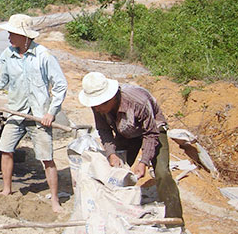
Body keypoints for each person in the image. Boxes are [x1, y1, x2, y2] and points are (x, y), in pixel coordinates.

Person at [0, 14, 67, 212]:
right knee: (5, 149)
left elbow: (61, 85)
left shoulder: (43, 56)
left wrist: (51, 113)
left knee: (46, 157)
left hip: (39, 116)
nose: (9, 37)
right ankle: (7, 189)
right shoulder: (7, 55)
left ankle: (54, 199)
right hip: (16, 111)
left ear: (25, 37)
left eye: (13, 33)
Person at [78, 72, 183, 222]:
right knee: (116, 171)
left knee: (162, 173)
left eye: (101, 104)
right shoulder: (98, 106)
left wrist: (144, 161)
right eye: (96, 105)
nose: (98, 109)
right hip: (126, 131)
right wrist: (111, 154)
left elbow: (150, 133)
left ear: (112, 97)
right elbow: (104, 130)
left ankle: (174, 221)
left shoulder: (137, 102)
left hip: (153, 130)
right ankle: (117, 213)